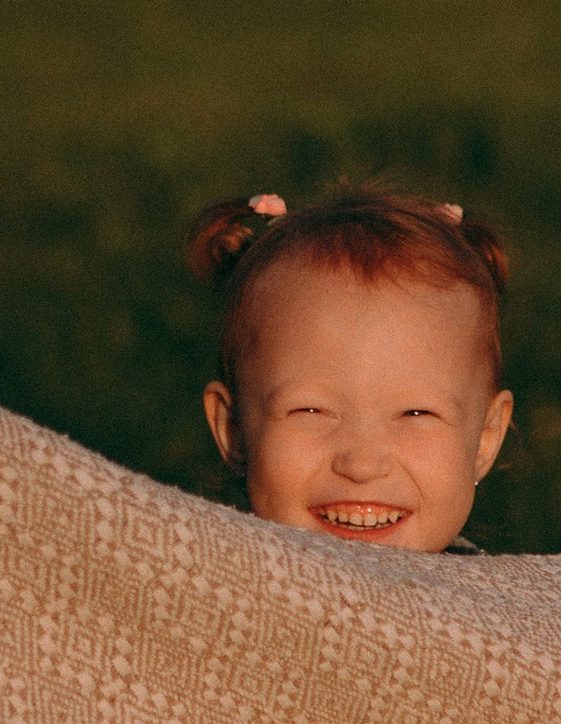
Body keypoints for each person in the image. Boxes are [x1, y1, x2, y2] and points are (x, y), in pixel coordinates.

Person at [188, 184, 513, 555]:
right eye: (310, 411)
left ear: (485, 438)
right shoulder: (198, 592)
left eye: (416, 413)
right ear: (234, 429)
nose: (361, 465)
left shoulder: (506, 608)